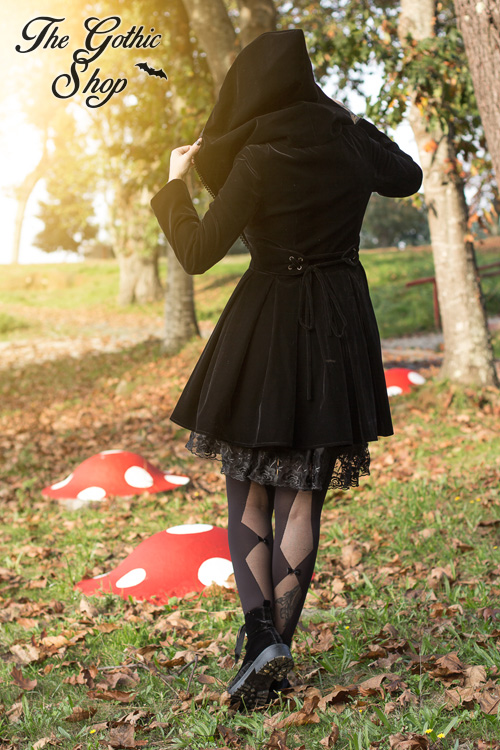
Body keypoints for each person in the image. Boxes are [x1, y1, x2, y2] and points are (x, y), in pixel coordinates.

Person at [150, 28, 422, 709]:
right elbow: (407, 176)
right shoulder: (348, 143)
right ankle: (273, 653)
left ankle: (259, 641)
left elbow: (198, 251)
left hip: (267, 326)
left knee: (249, 490)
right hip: (339, 325)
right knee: (303, 497)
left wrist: (174, 185)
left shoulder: (257, 157)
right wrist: (356, 120)